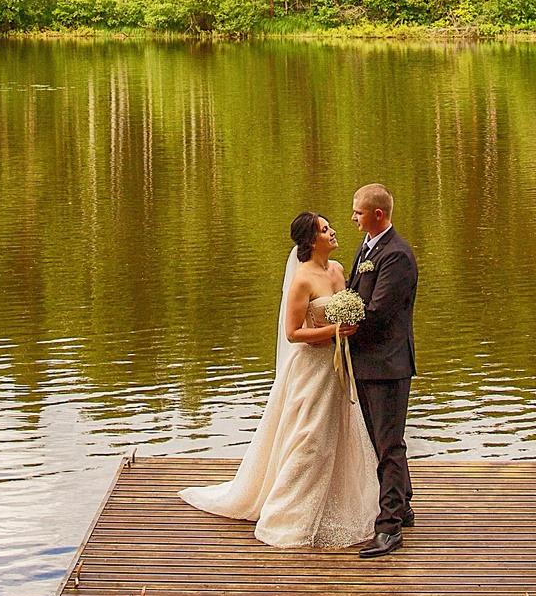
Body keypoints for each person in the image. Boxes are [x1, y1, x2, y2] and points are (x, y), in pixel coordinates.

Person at [178, 212, 379, 549]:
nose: (333, 232)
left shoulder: (339, 270)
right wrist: (335, 330)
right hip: (310, 370)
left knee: (339, 435)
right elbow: (292, 333)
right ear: (311, 241)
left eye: (330, 227)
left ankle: (334, 507)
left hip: (337, 367)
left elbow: (343, 309)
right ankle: (289, 516)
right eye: (325, 230)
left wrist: (349, 327)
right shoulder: (302, 280)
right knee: (309, 439)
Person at [339, 182, 417, 558]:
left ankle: (389, 529)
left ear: (378, 215)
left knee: (388, 445)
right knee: (380, 441)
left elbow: (378, 311)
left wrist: (336, 324)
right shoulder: (369, 247)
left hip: (388, 364)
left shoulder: (397, 256)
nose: (352, 217)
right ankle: (403, 504)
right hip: (368, 362)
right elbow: (358, 294)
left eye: (358, 211)